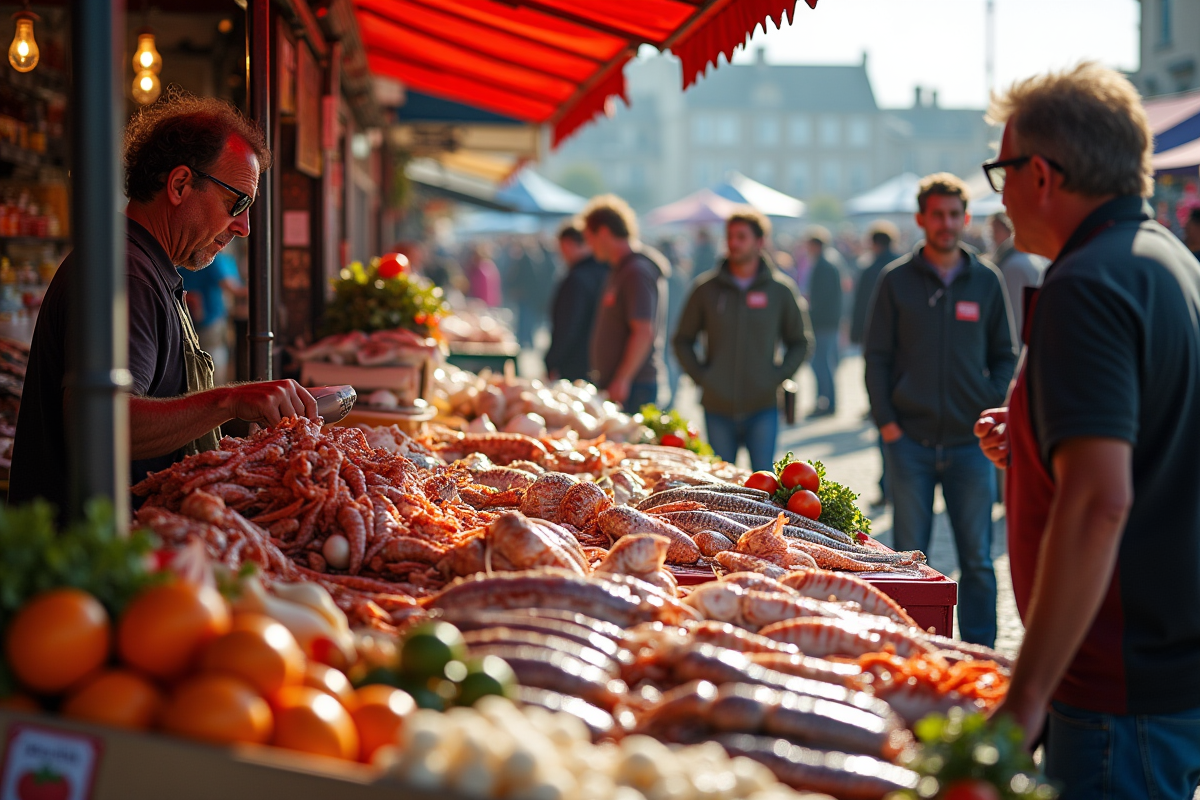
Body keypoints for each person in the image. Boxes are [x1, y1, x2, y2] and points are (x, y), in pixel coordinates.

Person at [974, 63, 1200, 797]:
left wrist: (1027, 696)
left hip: (1117, 684)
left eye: (1000, 170)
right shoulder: (1168, 260)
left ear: (1040, 174)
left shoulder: (1088, 283)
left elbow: (1101, 502)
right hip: (1162, 665)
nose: (997, 193)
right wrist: (1039, 437)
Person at [10, 91, 318, 513]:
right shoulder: (125, 273)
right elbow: (97, 426)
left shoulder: (142, 266)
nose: (244, 226)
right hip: (101, 559)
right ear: (179, 184)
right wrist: (229, 401)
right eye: (237, 202)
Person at [863, 172, 1016, 648]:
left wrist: (988, 404)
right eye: (938, 215)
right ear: (921, 219)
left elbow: (1005, 354)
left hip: (971, 446)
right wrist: (888, 425)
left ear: (966, 218)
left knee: (977, 559)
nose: (947, 223)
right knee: (908, 561)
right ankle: (911, 650)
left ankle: (979, 651)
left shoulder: (986, 280)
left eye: (955, 214)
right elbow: (877, 359)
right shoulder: (897, 281)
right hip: (909, 442)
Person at [673, 208, 811, 471]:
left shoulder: (780, 290)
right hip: (717, 407)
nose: (733, 243)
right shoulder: (706, 288)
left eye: (741, 236)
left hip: (763, 407)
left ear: (760, 242)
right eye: (729, 236)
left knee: (763, 488)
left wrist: (776, 376)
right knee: (722, 487)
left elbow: (801, 341)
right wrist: (703, 377)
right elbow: (682, 340)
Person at [583, 194, 670, 411]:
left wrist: (622, 379)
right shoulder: (622, 268)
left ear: (603, 232)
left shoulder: (635, 271)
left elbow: (643, 331)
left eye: (589, 238)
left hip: (634, 387)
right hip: (626, 384)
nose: (589, 246)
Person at [850, 221, 900, 507]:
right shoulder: (901, 267)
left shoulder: (875, 269)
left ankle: (888, 486)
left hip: (880, 349)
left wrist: (858, 335)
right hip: (904, 358)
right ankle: (892, 486)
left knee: (885, 416)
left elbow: (861, 306)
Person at [544, 221, 608, 382]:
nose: (561, 254)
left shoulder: (577, 278)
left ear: (569, 244)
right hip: (599, 361)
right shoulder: (606, 271)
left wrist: (551, 360)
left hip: (575, 363)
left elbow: (567, 325)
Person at [182, 248, 244, 386]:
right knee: (213, 361)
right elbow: (232, 288)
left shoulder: (186, 254)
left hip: (189, 318)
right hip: (210, 318)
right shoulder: (213, 258)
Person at [804, 227, 844, 417]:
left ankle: (826, 402)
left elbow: (822, 298)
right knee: (823, 362)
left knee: (821, 363)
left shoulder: (824, 265)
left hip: (823, 323)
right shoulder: (828, 262)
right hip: (828, 321)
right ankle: (826, 401)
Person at [988, 212, 1046, 334]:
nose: (993, 237)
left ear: (1008, 230)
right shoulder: (1026, 259)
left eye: (996, 231)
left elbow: (1014, 317)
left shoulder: (1014, 266)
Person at [464, 243, 501, 307]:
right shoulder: (488, 265)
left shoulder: (483, 269)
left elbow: (484, 289)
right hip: (488, 301)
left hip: (485, 302)